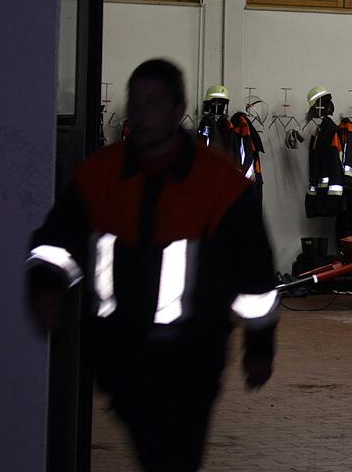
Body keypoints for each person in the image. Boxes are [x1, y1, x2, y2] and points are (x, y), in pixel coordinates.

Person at [26, 59, 278, 471]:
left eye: (153, 103)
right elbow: (58, 241)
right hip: (119, 355)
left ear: (178, 110)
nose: (139, 115)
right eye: (135, 103)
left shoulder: (220, 185)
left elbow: (255, 277)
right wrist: (45, 281)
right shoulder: (100, 175)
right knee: (153, 451)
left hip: (190, 361)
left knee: (171, 458)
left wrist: (260, 349)